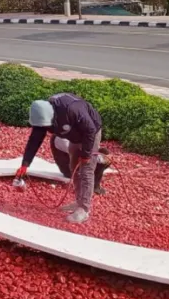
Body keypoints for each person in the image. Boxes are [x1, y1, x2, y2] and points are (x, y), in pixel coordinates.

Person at [15, 92, 104, 224]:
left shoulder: (72, 109)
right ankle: (79, 201)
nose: (45, 128)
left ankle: (84, 209)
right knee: (73, 167)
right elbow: (34, 141)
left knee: (86, 169)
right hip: (74, 136)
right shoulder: (41, 115)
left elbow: (90, 130)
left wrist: (86, 154)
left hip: (90, 133)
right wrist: (25, 164)